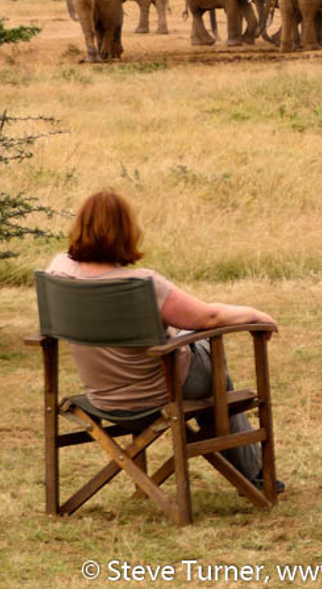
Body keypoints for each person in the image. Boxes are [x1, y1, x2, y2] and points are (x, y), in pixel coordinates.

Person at [46, 190, 278, 487]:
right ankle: (255, 476)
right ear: (127, 231)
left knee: (185, 338)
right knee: (213, 362)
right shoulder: (140, 284)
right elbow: (208, 318)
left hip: (102, 393)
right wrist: (255, 314)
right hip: (159, 389)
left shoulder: (59, 271)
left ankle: (253, 473)